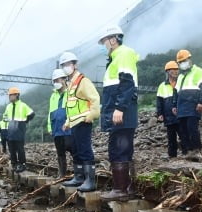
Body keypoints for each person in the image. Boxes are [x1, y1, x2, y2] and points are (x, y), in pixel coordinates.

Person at [97, 25, 139, 201]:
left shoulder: (123, 54)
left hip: (121, 112)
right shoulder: (115, 58)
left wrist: (119, 108)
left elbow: (127, 83)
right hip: (119, 111)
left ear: (113, 40)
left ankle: (120, 189)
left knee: (118, 149)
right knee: (122, 148)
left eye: (105, 41)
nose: (105, 45)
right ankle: (127, 188)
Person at [60, 51, 100, 192]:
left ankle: (90, 180)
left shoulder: (83, 81)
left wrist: (92, 115)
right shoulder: (71, 84)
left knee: (84, 150)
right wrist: (67, 122)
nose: (66, 67)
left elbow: (95, 99)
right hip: (74, 123)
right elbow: (72, 106)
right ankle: (79, 177)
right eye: (63, 65)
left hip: (83, 121)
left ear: (75, 65)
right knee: (76, 150)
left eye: (68, 64)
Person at [175, 49, 202, 156]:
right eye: (180, 62)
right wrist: (174, 105)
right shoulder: (180, 76)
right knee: (182, 130)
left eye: (184, 60)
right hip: (181, 107)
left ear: (190, 59)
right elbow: (177, 92)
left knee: (192, 128)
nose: (183, 63)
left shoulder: (198, 71)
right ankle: (187, 151)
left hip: (192, 106)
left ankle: (196, 149)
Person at [47, 69, 74, 178]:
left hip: (68, 127)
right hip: (57, 128)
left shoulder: (71, 92)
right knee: (60, 153)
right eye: (54, 80)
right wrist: (50, 127)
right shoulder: (53, 96)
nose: (56, 82)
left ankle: (79, 173)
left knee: (73, 150)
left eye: (58, 79)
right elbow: (50, 112)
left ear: (64, 79)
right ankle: (62, 174)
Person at [156, 61, 186, 158]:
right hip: (168, 116)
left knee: (184, 135)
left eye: (177, 70)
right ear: (168, 71)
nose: (175, 72)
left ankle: (187, 154)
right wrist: (159, 113)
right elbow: (159, 101)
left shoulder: (182, 83)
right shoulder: (162, 86)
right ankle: (172, 156)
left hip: (181, 115)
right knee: (171, 138)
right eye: (173, 70)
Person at [3, 87, 35, 173]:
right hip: (10, 128)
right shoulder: (8, 106)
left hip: (19, 127)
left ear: (16, 95)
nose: (9, 97)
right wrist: (7, 122)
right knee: (11, 147)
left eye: (11, 95)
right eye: (9, 95)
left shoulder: (23, 105)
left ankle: (22, 164)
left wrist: (25, 120)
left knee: (19, 147)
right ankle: (14, 163)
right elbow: (4, 116)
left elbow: (32, 114)